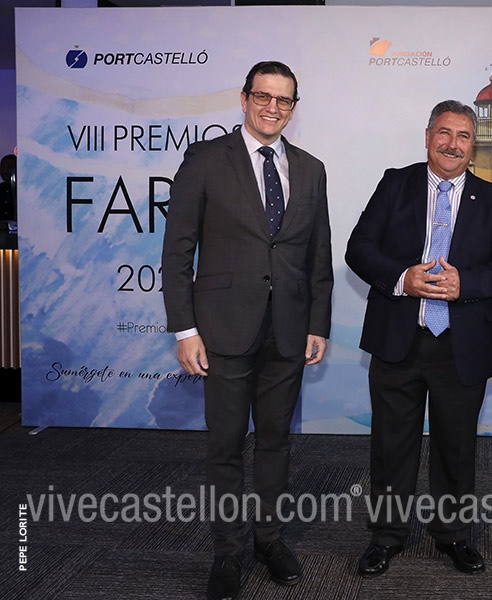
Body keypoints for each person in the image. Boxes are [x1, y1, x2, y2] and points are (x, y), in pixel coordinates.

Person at [161, 60, 333, 600]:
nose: (272, 108)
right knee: (227, 445)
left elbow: (318, 255)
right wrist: (184, 329)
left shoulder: (311, 169)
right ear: (244, 98)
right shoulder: (206, 160)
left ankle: (270, 539)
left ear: (293, 108)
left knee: (276, 442)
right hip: (222, 330)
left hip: (288, 331)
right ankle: (228, 551)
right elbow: (177, 251)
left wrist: (318, 323)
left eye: (284, 100)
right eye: (263, 96)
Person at [345, 100, 492, 577]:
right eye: (444, 133)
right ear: (428, 137)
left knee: (456, 446)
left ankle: (453, 535)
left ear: (473, 145)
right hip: (398, 337)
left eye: (463, 136)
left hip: (462, 345)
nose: (453, 144)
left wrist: (468, 284)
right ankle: (386, 536)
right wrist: (402, 278)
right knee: (391, 445)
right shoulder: (394, 184)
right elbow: (358, 248)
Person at [0, 154, 15, 221]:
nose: (4, 171)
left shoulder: (23, 191)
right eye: (2, 168)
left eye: (9, 168)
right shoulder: (1, 188)